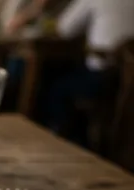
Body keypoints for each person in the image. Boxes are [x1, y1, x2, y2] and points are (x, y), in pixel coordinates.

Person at [9, 0, 134, 139]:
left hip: (101, 77)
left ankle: (58, 138)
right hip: (126, 81)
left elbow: (64, 29)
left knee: (56, 88)